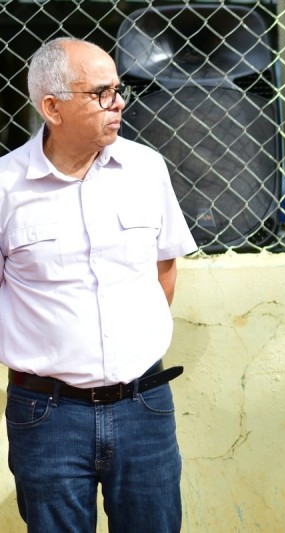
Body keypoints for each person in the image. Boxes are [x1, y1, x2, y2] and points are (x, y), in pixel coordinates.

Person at [0, 37, 197, 532]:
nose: (119, 103)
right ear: (53, 108)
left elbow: (164, 272)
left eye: (119, 89)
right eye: (101, 93)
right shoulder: (6, 186)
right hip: (47, 415)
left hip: (143, 405)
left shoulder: (146, 168)